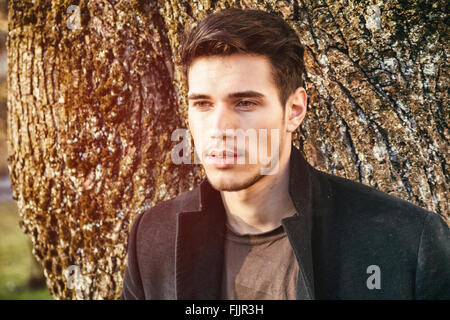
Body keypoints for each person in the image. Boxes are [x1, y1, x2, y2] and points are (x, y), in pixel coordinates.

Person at [121, 7, 450, 300]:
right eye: (203, 104)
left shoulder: (407, 242)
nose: (219, 127)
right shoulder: (153, 237)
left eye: (245, 103)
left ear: (294, 110)